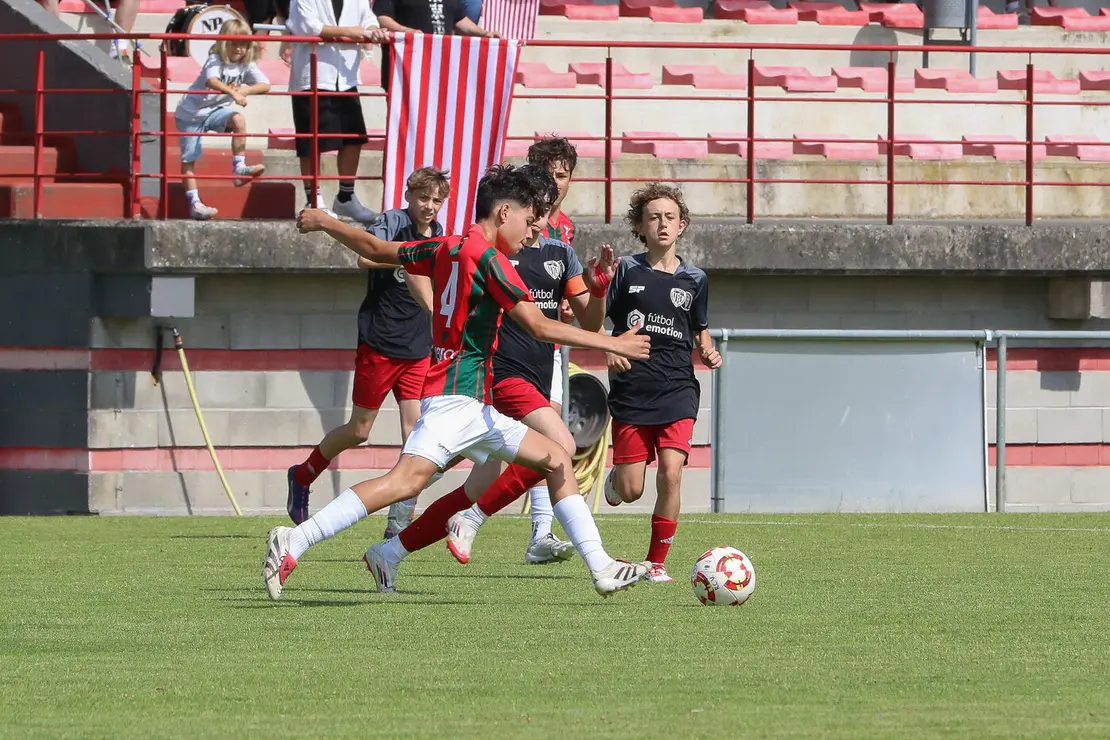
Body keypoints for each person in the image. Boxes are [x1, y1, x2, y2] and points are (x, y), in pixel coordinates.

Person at [263, 164, 651, 600]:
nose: (529, 234)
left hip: (471, 404)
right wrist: (610, 342)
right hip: (455, 401)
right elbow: (538, 326)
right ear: (504, 213)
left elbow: (374, 246)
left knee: (557, 459)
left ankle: (600, 567)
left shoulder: (444, 246)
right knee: (404, 482)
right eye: (526, 220)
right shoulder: (490, 260)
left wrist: (325, 222)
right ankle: (296, 539)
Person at [364, 164, 612, 573]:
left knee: (470, 483)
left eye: (546, 211)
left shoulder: (561, 253)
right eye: (535, 211)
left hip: (534, 373)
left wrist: (598, 290)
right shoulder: (493, 251)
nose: (538, 223)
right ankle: (507, 529)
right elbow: (419, 267)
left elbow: (587, 319)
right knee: (560, 448)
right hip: (498, 373)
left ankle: (391, 551)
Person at [286, 167, 449, 537]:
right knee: (360, 430)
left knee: (416, 434)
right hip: (380, 341)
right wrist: (406, 259)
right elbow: (365, 258)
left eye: (437, 201)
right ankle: (304, 473)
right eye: (424, 198)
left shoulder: (439, 235)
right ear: (409, 196)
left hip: (418, 346)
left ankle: (398, 522)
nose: (430, 206)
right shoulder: (392, 222)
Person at [600, 182, 722, 584]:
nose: (662, 224)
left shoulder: (695, 279)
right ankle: (615, 482)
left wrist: (707, 350)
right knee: (632, 491)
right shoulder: (626, 271)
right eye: (653, 217)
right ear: (640, 226)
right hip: (633, 389)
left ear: (682, 225)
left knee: (671, 472)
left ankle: (656, 563)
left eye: (670, 217)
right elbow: (601, 326)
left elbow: (699, 328)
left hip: (677, 388)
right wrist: (610, 349)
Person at [285, 0, 386, 220]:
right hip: (313, 76)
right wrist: (351, 33)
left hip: (347, 77)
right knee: (311, 142)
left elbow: (369, 21)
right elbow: (309, 26)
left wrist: (371, 31)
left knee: (354, 138)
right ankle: (313, 198)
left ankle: (346, 197)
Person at [172, 21, 270, 220]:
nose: (239, 49)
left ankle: (239, 169)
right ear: (224, 43)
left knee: (239, 120)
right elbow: (212, 80)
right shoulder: (215, 59)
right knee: (189, 158)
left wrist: (248, 89)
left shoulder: (245, 64)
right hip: (190, 114)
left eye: (243, 45)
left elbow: (265, 84)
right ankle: (195, 203)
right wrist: (233, 93)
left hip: (213, 110)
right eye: (234, 44)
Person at [372, 0, 499, 93]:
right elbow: (382, 17)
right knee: (405, 123)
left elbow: (459, 19)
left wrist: (484, 33)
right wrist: (406, 30)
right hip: (405, 70)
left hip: (441, 71)